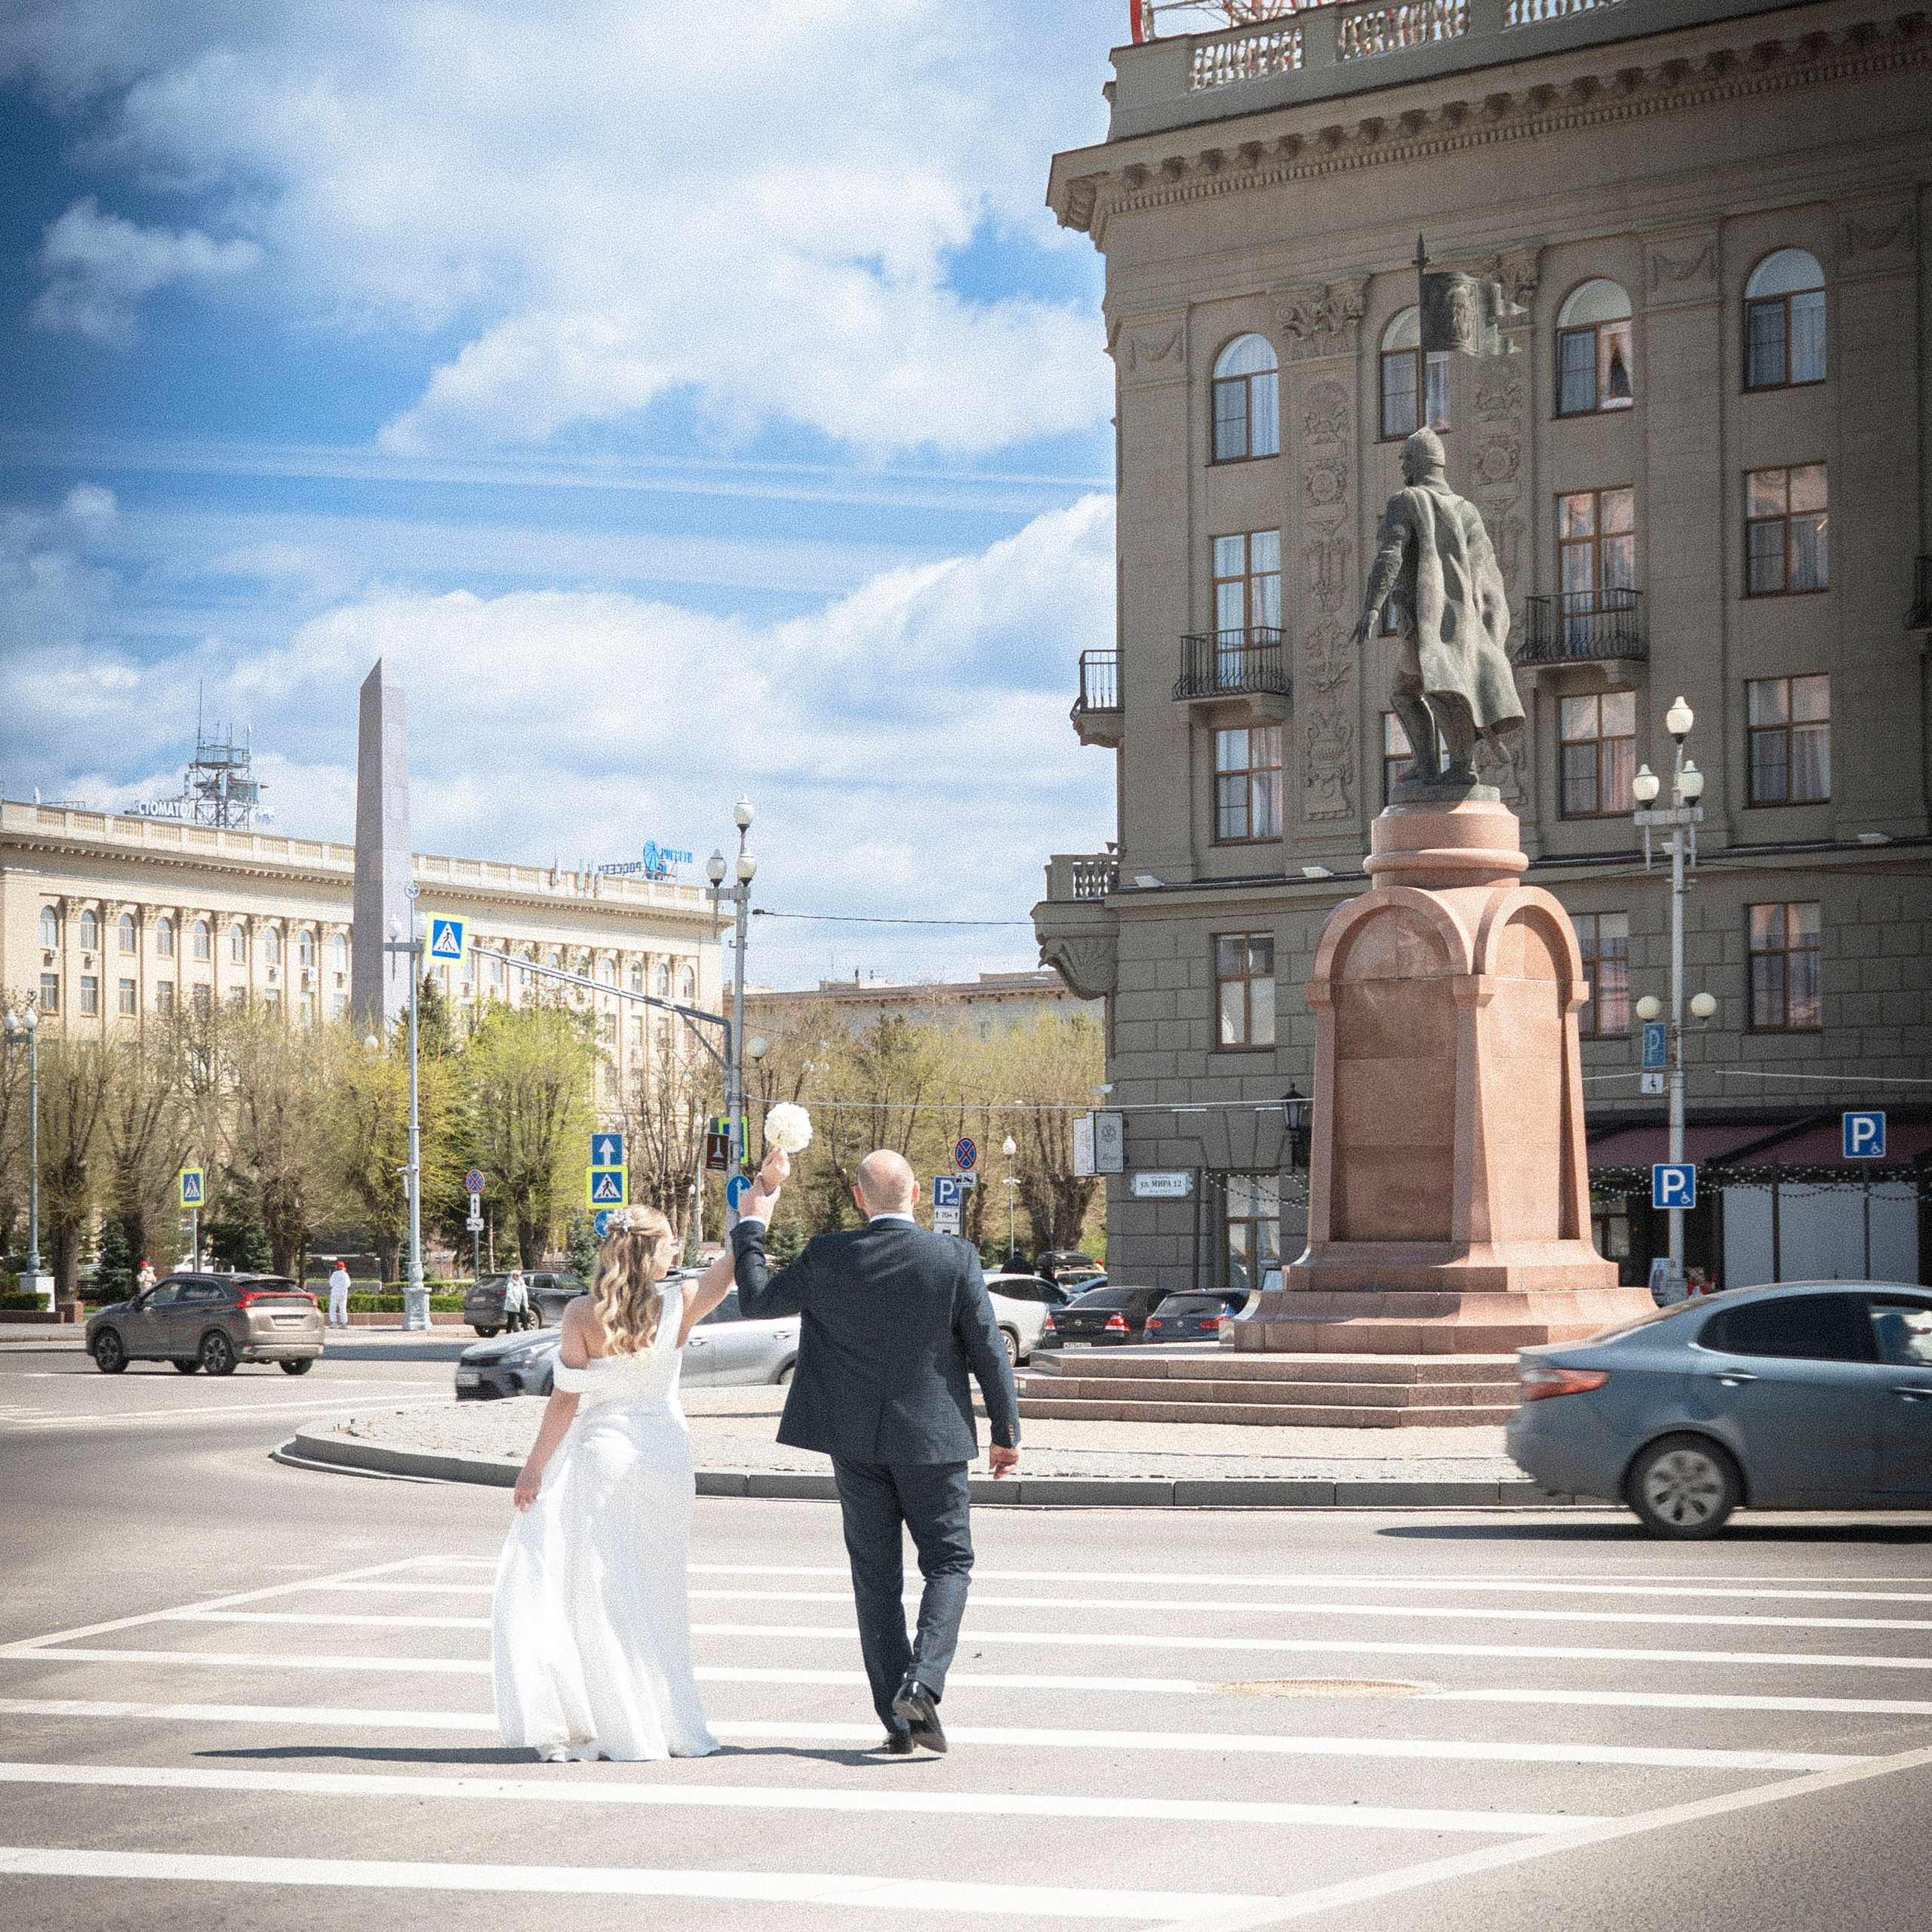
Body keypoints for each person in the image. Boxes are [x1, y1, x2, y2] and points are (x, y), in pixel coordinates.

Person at [733, 1145, 1020, 1755]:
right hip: (934, 1441)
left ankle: (899, 1721)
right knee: (949, 1564)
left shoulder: (829, 1255)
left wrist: (753, 1225)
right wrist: (1006, 1433)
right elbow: (988, 1349)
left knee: (875, 1580)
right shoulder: (954, 1258)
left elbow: (756, 1299)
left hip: (855, 1441)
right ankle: (922, 1682)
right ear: (915, 1195)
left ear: (860, 1199)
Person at [493, 1207, 734, 1763]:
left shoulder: (583, 1313)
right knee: (662, 1593)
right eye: (671, 1243)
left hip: (604, 1456)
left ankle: (618, 1723)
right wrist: (760, 1203)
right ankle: (671, 1725)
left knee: (602, 1594)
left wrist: (533, 1469)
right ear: (652, 1251)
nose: (678, 1252)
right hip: (666, 1459)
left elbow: (564, 1400)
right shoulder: (680, 1302)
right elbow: (730, 1266)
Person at [1352, 427, 1525, 790]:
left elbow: (1390, 555)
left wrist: (1372, 608)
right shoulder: (1468, 510)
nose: (1402, 467)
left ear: (1418, 463)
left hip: (1427, 618)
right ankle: (1435, 765)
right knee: (1417, 687)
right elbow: (1489, 574)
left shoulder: (1406, 500)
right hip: (1463, 621)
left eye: (1405, 460)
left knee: (1430, 688)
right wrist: (1491, 630)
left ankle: (1458, 767)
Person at [503, 1268, 533, 1333]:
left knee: (525, 1319)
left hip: (521, 1304)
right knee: (511, 1320)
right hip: (512, 1305)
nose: (518, 1277)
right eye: (517, 1275)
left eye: (519, 1275)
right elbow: (509, 1294)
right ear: (513, 1276)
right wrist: (514, 1302)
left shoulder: (522, 1284)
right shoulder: (510, 1284)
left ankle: (527, 1332)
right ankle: (508, 1333)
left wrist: (526, 1304)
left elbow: (524, 1294)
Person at [327, 1259, 352, 1328]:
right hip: (343, 1293)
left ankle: (334, 1323)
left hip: (335, 1292)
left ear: (336, 1267)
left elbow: (331, 1283)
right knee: (343, 1308)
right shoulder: (345, 1274)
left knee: (333, 1307)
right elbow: (348, 1284)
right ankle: (344, 1323)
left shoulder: (334, 1274)